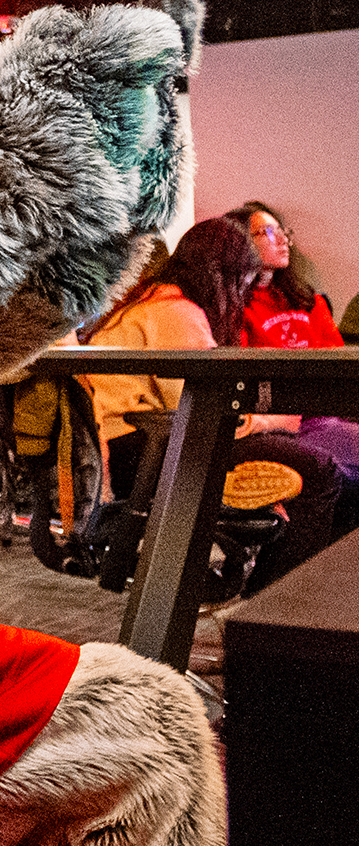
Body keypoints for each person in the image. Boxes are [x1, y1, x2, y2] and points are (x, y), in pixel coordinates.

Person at [80, 217, 341, 596]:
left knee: (317, 465)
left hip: (140, 445)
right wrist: (275, 422)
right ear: (222, 276)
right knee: (323, 472)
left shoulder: (152, 300)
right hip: (147, 452)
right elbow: (204, 411)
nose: (241, 294)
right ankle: (270, 604)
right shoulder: (176, 313)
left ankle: (274, 598)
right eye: (242, 282)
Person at [226, 201, 359, 515]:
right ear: (241, 243)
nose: (284, 240)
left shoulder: (306, 300)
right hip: (275, 426)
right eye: (268, 232)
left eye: (283, 231)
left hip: (320, 417)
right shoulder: (234, 307)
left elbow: (336, 366)